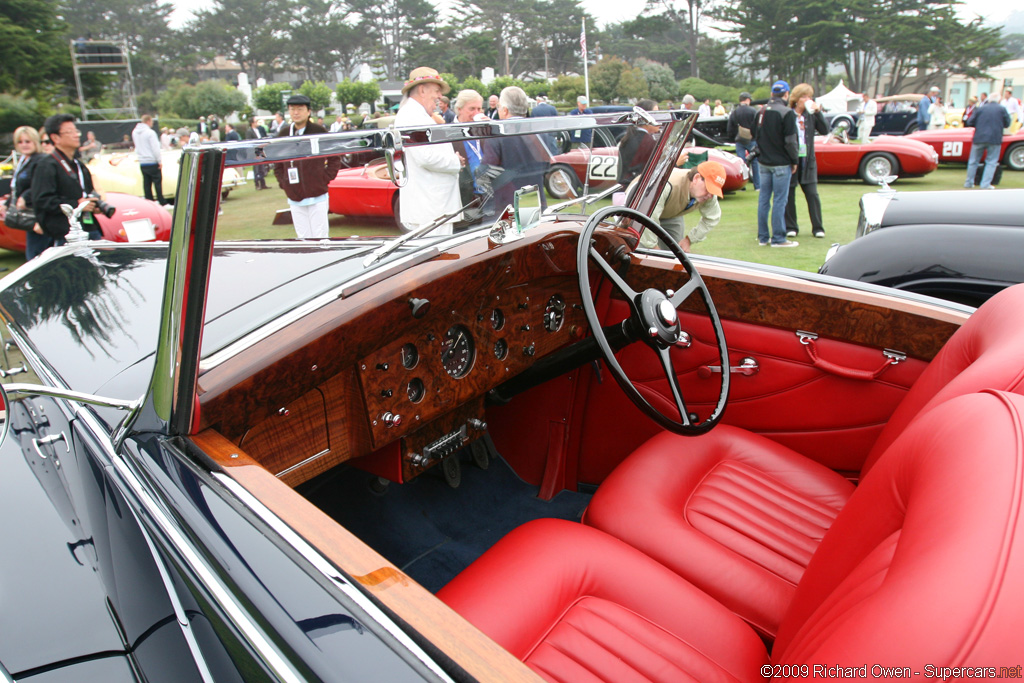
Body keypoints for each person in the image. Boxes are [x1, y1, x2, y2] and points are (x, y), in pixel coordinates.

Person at [394, 67, 463, 234]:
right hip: (430, 208)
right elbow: (425, 157)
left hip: (433, 207)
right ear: (422, 90)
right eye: (437, 91)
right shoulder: (411, 116)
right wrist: (456, 162)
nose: (440, 96)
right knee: (436, 258)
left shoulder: (417, 114)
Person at [29, 114, 103, 260]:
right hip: (65, 234)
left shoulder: (78, 165)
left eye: (76, 131)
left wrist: (93, 205)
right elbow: (42, 200)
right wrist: (77, 205)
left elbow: (86, 192)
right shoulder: (46, 165)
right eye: (70, 132)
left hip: (88, 228)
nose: (76, 135)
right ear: (55, 138)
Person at [273, 94, 342, 239]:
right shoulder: (284, 133)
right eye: (292, 109)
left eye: (300, 109)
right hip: (294, 195)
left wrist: (324, 178)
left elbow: (334, 157)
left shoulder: (318, 131)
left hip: (317, 194)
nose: (296, 113)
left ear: (308, 111)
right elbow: (277, 162)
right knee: (302, 238)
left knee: (321, 237)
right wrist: (283, 182)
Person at [479, 86, 550, 216]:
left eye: (499, 107)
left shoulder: (496, 136)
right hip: (535, 201)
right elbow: (546, 165)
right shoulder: (541, 133)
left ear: (505, 110)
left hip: (506, 206)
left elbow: (486, 173)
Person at [637, 160, 725, 252]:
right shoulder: (666, 184)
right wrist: (654, 249)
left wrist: (689, 239)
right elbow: (648, 216)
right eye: (708, 188)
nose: (710, 195)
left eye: (714, 191)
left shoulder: (709, 195)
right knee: (642, 254)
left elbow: (712, 218)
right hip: (639, 210)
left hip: (671, 214)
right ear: (696, 178)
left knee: (677, 253)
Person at [753, 80, 799, 248]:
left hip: (763, 162)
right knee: (780, 200)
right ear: (786, 94)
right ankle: (779, 237)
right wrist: (794, 160)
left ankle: (763, 237)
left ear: (772, 94)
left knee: (764, 199)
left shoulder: (761, 111)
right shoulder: (786, 112)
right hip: (781, 162)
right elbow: (790, 141)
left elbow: (754, 134)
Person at [785, 83, 829, 239]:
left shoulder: (811, 115)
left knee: (812, 194)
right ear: (796, 99)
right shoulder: (788, 114)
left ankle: (817, 227)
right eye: (804, 96)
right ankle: (791, 227)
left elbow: (825, 130)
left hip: (808, 160)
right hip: (791, 159)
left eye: (809, 97)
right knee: (789, 194)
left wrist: (818, 112)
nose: (807, 99)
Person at [451, 89, 486, 223]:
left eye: (479, 109)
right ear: (459, 109)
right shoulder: (448, 133)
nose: (477, 113)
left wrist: (491, 129)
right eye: (472, 109)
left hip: (488, 196)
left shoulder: (483, 130)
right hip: (465, 199)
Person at [0, 127, 44, 231]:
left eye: (27, 141)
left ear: (35, 141)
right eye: (20, 142)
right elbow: (17, 187)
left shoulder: (40, 160)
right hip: (25, 214)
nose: (24, 144)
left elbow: (40, 184)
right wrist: (6, 205)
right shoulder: (23, 160)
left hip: (36, 213)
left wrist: (25, 197)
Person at [964, 97, 1010, 189]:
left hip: (979, 137)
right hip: (994, 138)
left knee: (973, 161)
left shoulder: (980, 108)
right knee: (991, 162)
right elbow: (1007, 123)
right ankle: (985, 184)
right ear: (999, 100)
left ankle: (969, 182)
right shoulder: (1002, 109)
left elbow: (970, 121)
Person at [617, 98, 659, 186]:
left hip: (623, 189)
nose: (659, 119)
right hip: (634, 191)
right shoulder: (647, 142)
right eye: (655, 114)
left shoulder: (627, 137)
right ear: (646, 118)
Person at [726, 91, 759, 190]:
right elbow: (758, 125)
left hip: (739, 139)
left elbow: (730, 128)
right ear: (748, 100)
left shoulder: (735, 112)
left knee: (741, 163)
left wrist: (733, 138)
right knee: (755, 162)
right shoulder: (753, 111)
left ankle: (741, 186)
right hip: (752, 139)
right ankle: (757, 185)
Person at [132, 114, 165, 204]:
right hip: (152, 160)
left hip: (143, 161)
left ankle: (149, 201)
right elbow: (155, 148)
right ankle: (161, 201)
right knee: (157, 183)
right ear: (148, 121)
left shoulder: (135, 132)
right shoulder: (150, 133)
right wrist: (159, 160)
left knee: (147, 183)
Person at [245, 116, 270, 190]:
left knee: (262, 167)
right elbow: (249, 142)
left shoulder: (257, 130)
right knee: (256, 168)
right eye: (255, 121)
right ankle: (257, 184)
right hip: (255, 151)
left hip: (260, 150)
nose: (257, 123)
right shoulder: (249, 131)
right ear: (252, 123)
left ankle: (263, 184)